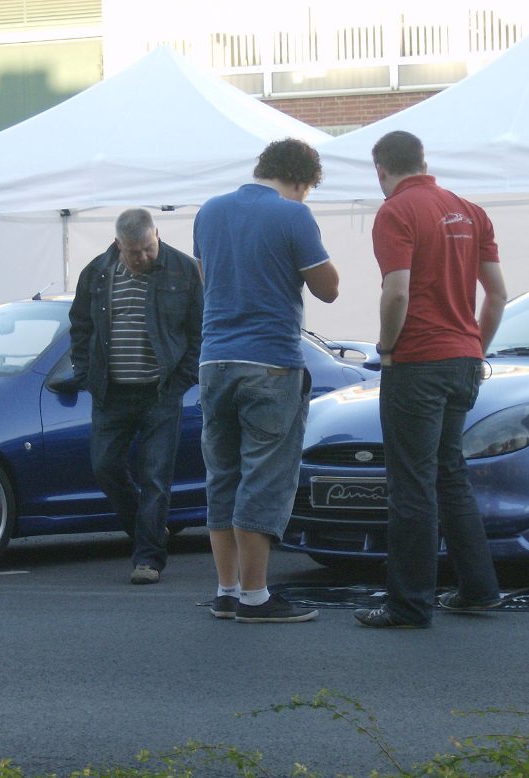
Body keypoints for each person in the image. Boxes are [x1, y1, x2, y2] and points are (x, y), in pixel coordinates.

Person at [353, 130, 508, 629]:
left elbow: (397, 292)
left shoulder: (395, 212)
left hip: (417, 361)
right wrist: (475, 346)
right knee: (450, 474)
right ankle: (479, 589)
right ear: (424, 161)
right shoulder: (470, 211)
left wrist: (387, 348)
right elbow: (498, 294)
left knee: (411, 485)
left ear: (381, 170)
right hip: (463, 360)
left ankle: (409, 604)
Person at [193, 138, 340, 623]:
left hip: (214, 360)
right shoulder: (293, 215)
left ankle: (226, 591)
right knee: (264, 477)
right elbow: (328, 289)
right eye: (309, 188)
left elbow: (207, 280)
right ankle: (256, 597)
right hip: (270, 361)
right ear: (301, 180)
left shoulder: (209, 212)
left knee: (223, 475)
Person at [68, 208, 203, 585]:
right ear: (118, 245)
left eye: (148, 248)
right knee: (104, 467)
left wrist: (181, 380)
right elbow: (80, 327)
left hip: (161, 392)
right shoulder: (96, 273)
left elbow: (199, 331)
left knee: (156, 476)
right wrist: (85, 374)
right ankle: (150, 531)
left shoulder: (184, 270)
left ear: (157, 234)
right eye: (134, 252)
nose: (142, 257)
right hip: (110, 392)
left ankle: (148, 559)